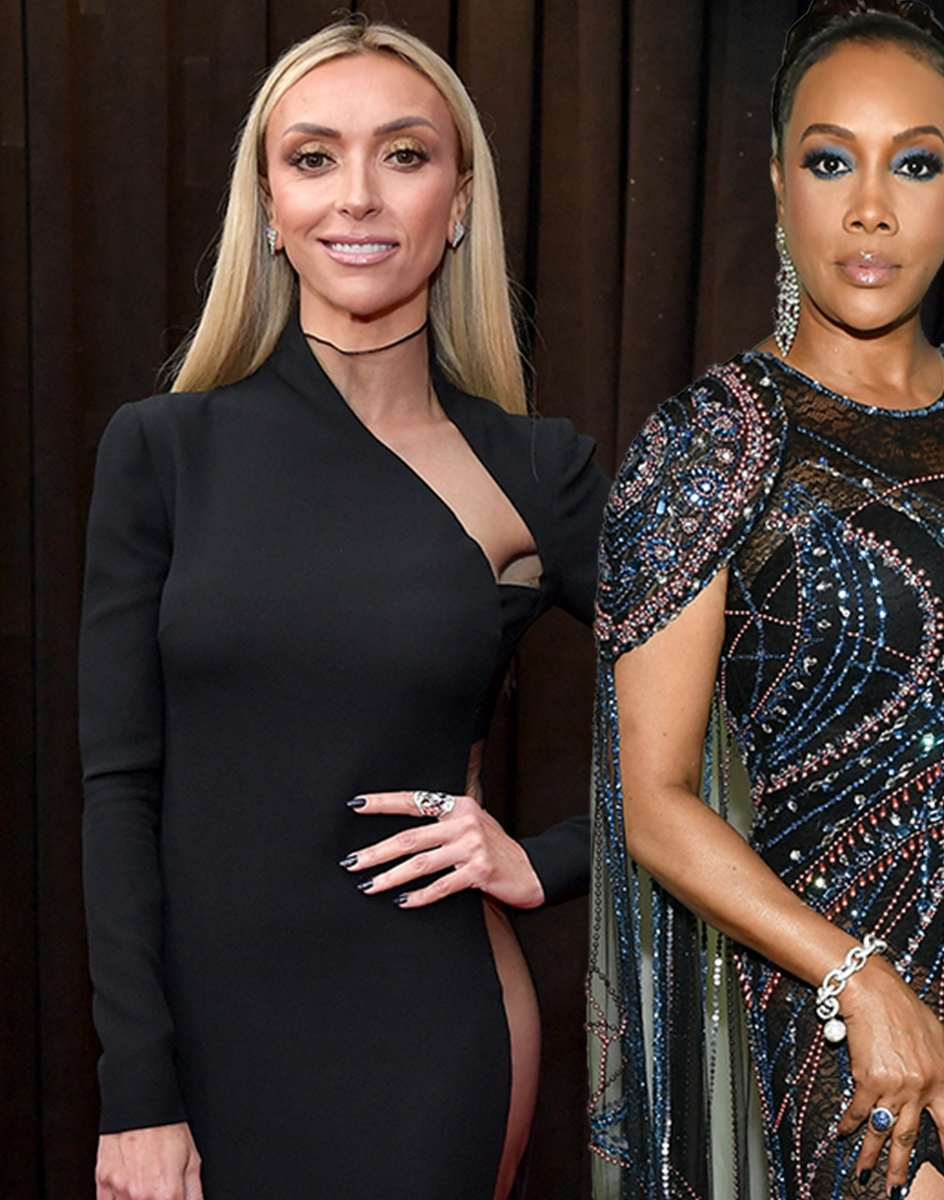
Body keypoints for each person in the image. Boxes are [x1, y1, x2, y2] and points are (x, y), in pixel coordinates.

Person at [586, 2, 944, 1198]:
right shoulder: (718, 444)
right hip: (848, 1019)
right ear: (778, 185)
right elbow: (654, 803)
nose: (870, 208)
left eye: (912, 165)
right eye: (829, 162)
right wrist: (855, 979)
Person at [79, 19, 607, 1200]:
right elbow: (119, 789)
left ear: (458, 203)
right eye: (313, 157)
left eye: (404, 155)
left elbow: (751, 707)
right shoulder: (162, 452)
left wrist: (553, 859)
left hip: (428, 1035)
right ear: (269, 207)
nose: (356, 195)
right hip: (196, 1048)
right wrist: (138, 1092)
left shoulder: (535, 470)